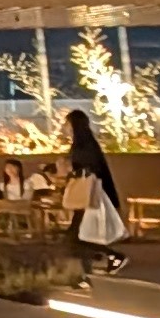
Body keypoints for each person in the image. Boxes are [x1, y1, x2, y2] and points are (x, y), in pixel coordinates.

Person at [62, 104, 124, 250]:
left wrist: (72, 172)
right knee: (83, 233)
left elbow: (89, 169)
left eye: (67, 123)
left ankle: (113, 256)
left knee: (83, 234)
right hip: (88, 193)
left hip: (89, 193)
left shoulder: (83, 146)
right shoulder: (86, 144)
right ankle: (97, 259)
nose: (64, 127)